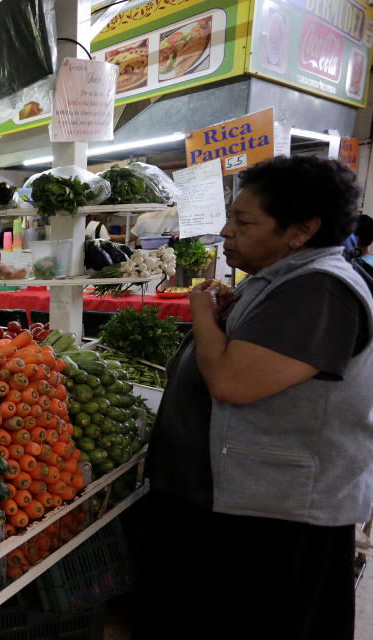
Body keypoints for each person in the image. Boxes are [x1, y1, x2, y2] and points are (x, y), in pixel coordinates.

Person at [131, 155, 373, 640]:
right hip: (244, 503)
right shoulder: (285, 279)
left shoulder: (319, 292)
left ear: (301, 230)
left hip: (278, 518)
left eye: (243, 221)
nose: (225, 230)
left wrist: (201, 311)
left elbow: (231, 382)